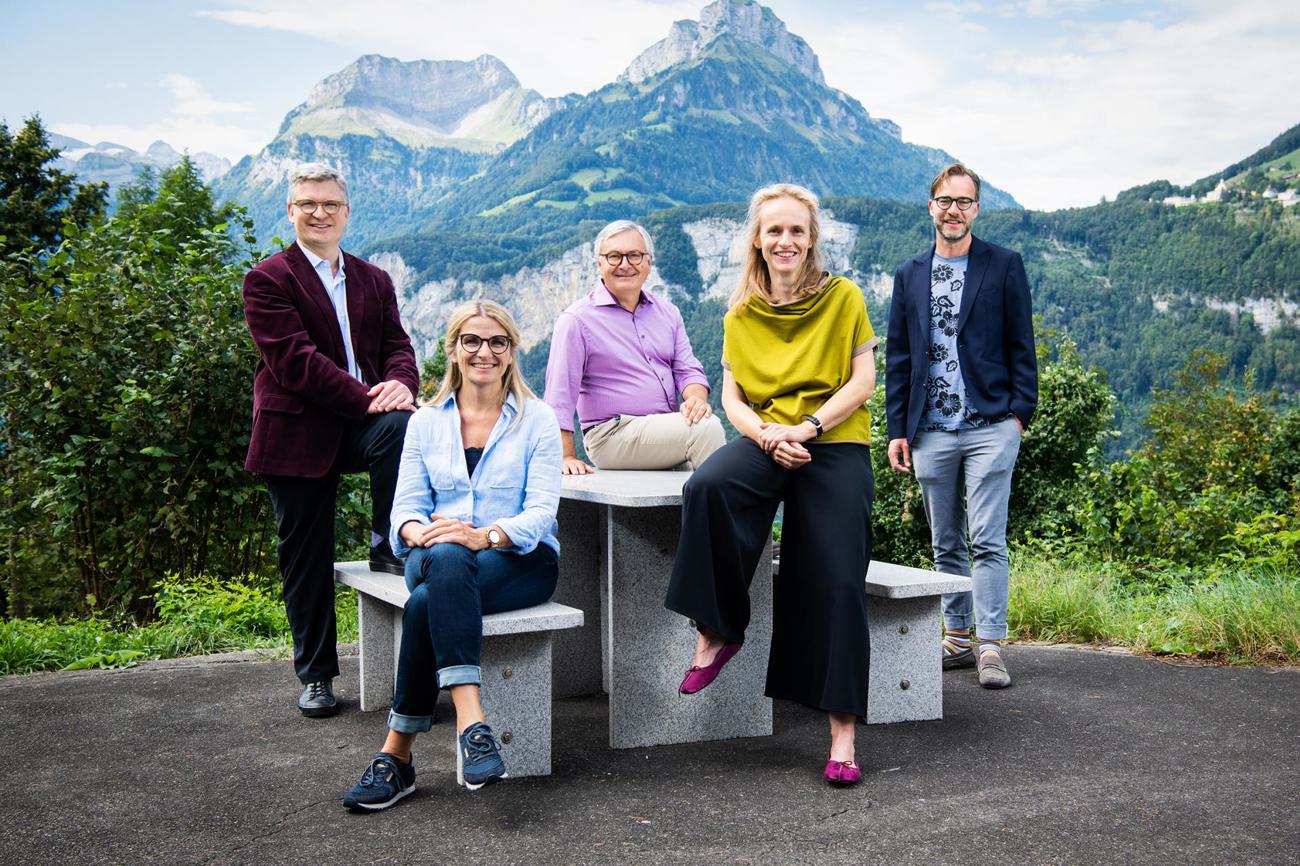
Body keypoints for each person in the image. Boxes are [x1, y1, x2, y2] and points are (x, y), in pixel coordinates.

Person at [664, 184, 877, 787]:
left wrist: (807, 428)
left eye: (796, 230)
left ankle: (842, 733)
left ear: (811, 239)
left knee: (837, 575)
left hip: (833, 439)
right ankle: (718, 629)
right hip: (768, 439)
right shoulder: (740, 313)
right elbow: (732, 399)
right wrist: (766, 437)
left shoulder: (844, 297)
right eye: (774, 230)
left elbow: (863, 381)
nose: (786, 240)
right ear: (757, 240)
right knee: (708, 486)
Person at [342, 300, 562, 811]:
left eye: (497, 342)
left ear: (511, 351)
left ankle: (396, 756)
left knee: (426, 602)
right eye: (472, 341)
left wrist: (482, 536)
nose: (485, 352)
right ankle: (471, 721)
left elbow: (540, 514)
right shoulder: (425, 422)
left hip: (519, 559)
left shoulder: (538, 420)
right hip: (432, 554)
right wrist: (429, 533)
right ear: (454, 349)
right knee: (445, 559)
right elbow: (404, 512)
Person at [243, 162, 418, 718]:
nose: (319, 213)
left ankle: (386, 542)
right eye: (308, 204)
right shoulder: (269, 279)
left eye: (330, 204)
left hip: (362, 422)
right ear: (290, 211)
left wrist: (400, 385)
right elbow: (294, 362)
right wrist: (367, 399)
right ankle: (316, 676)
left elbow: (397, 346)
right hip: (297, 430)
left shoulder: (373, 279)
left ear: (346, 212)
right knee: (306, 558)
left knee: (402, 426)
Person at [884, 162, 1038, 690]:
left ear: (976, 209)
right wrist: (898, 428)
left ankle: (990, 644)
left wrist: (1019, 415)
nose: (954, 210)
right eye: (946, 201)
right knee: (945, 541)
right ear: (932, 206)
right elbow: (900, 357)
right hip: (929, 430)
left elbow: (1022, 343)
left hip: (991, 425)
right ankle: (955, 638)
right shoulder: (909, 274)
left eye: (964, 201)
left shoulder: (1003, 265)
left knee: (988, 540)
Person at [544, 220, 724, 474]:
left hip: (664, 429)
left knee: (701, 460)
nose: (625, 264)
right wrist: (565, 456)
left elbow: (688, 370)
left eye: (634, 255)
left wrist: (696, 400)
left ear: (648, 262)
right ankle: (723, 502)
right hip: (610, 433)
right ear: (599, 264)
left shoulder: (668, 313)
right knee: (706, 429)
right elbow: (559, 393)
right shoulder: (576, 320)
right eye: (614, 256)